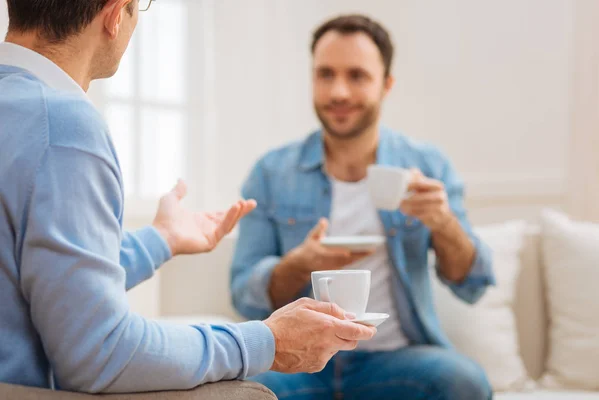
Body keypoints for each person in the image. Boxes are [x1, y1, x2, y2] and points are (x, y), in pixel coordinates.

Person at [0, 0, 377, 394]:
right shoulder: (62, 124)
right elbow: (102, 352)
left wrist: (162, 238)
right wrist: (269, 342)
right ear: (115, 14)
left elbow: (50, 274)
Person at [231, 14, 495, 400]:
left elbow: (473, 283)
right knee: (235, 391)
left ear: (386, 85)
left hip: (398, 360)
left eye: (357, 76)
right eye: (325, 74)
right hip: (298, 363)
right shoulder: (271, 173)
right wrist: (299, 263)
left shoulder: (425, 165)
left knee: (463, 381)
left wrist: (444, 224)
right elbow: (243, 292)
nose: (338, 92)